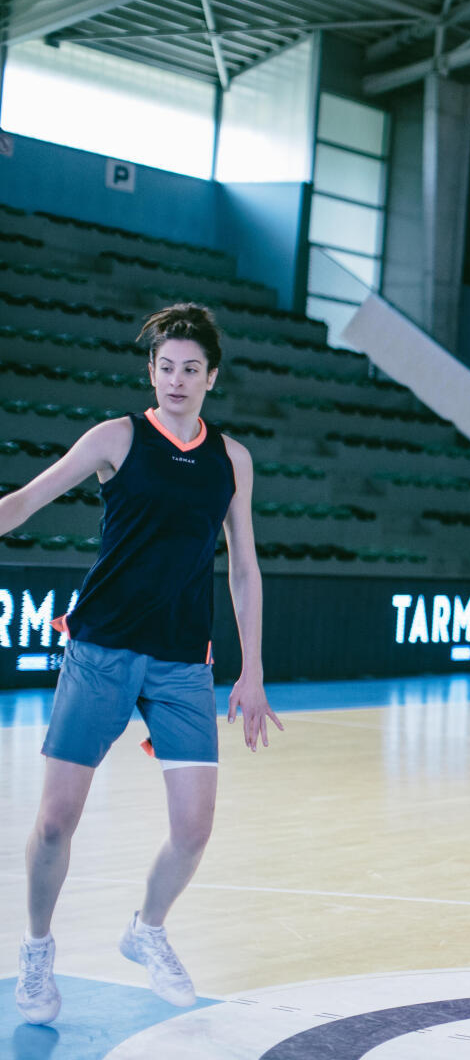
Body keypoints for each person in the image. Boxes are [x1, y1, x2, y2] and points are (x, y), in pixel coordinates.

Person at [4, 304, 283, 1023]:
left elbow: (244, 570)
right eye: (166, 367)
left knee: (194, 829)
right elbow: (30, 499)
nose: (177, 380)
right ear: (150, 371)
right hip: (100, 650)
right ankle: (36, 953)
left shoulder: (232, 459)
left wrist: (251, 671)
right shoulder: (116, 438)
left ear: (211, 377)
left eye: (192, 369)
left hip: (183, 662)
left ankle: (146, 930)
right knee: (58, 822)